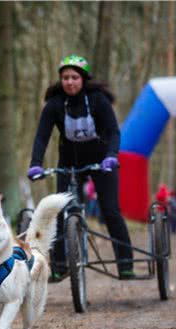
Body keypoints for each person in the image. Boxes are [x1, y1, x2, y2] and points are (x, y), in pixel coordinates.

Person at [27, 54, 134, 280]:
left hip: (102, 161)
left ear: (83, 79)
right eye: (65, 77)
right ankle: (58, 265)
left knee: (110, 210)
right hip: (69, 163)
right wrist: (36, 164)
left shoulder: (97, 100)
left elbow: (114, 132)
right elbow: (41, 137)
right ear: (60, 80)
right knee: (61, 210)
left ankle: (125, 263)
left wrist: (111, 155)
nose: (69, 82)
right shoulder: (55, 104)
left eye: (74, 77)